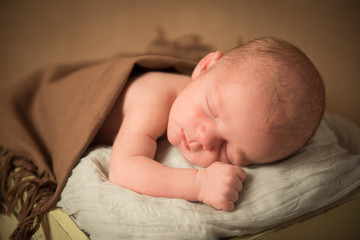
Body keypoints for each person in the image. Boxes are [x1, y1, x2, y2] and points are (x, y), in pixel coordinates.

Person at [93, 37, 325, 211]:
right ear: (204, 67)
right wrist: (199, 184)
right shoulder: (153, 98)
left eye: (229, 151)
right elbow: (123, 170)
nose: (205, 138)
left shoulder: (203, 96)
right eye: (211, 110)